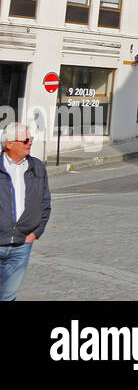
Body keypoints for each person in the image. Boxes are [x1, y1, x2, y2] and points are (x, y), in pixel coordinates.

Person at [0, 124, 51, 301]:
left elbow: (45, 202)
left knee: (8, 296)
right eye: (25, 140)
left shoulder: (36, 167)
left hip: (22, 246)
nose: (30, 143)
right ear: (9, 144)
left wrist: (36, 232)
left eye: (31, 139)